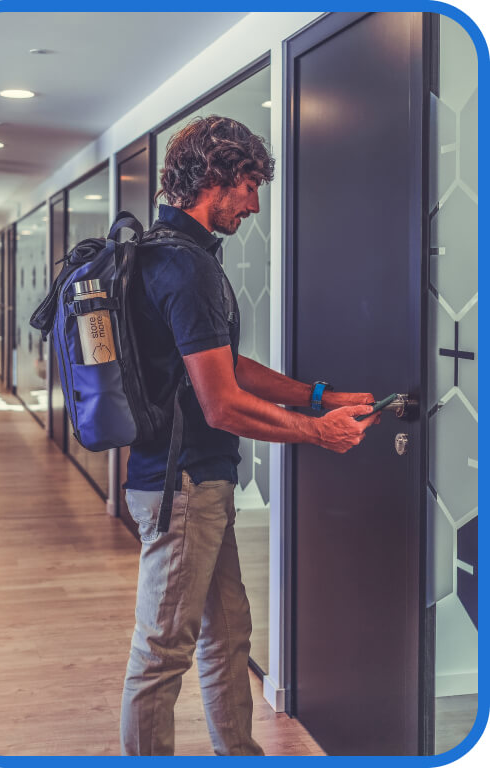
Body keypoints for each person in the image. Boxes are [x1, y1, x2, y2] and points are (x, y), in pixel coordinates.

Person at [120, 115, 380, 756]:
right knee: (162, 654)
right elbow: (222, 404)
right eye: (250, 184)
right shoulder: (188, 269)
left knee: (228, 631)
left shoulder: (169, 255)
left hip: (193, 484)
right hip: (183, 489)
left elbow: (224, 363)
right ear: (215, 176)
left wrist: (320, 396)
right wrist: (318, 432)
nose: (255, 203)